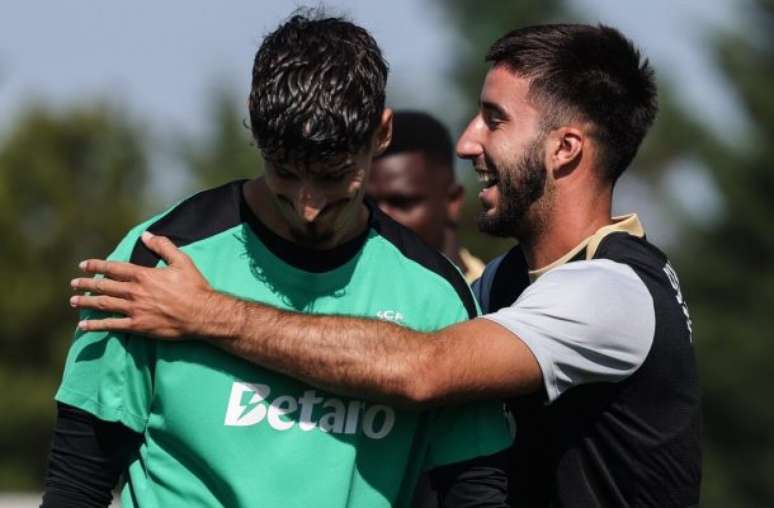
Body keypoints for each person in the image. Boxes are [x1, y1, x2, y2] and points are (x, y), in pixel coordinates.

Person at [70, 24, 702, 507]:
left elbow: (420, 366)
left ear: (565, 149)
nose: (465, 142)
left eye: (495, 120)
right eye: (286, 172)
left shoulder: (611, 293)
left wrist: (205, 313)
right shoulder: (496, 284)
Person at [43, 13, 513, 508]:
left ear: (381, 133)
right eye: (284, 172)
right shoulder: (155, 261)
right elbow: (78, 480)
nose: (308, 205)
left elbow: (474, 491)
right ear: (253, 120)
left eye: (334, 176)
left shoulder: (434, 293)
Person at [367, 111, 485, 282]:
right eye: (369, 203)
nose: (380, 219)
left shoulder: (498, 301)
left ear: (453, 201)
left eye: (402, 203)